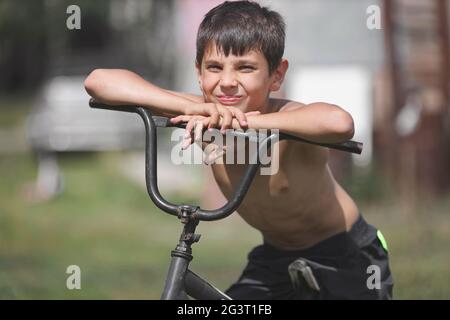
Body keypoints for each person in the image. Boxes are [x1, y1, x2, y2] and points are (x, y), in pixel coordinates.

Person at [84, 0, 393, 299]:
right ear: (199, 71)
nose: (227, 81)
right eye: (214, 67)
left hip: (345, 252)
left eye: (245, 68)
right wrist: (192, 107)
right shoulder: (204, 110)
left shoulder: (288, 118)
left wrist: (243, 123)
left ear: (276, 75)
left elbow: (339, 122)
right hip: (275, 257)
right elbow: (99, 81)